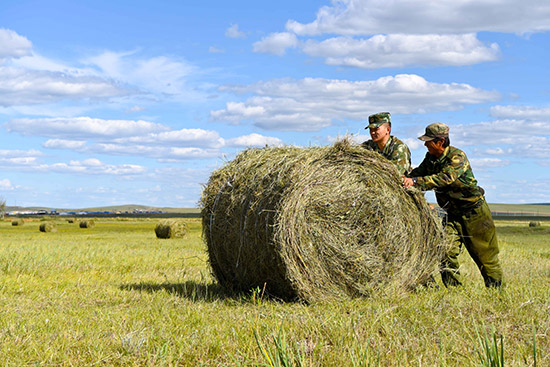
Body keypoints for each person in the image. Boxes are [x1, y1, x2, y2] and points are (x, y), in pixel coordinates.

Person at [403, 123, 503, 288]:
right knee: (444, 250)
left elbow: (445, 178)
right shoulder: (431, 158)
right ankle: (454, 290)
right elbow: (418, 173)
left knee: (486, 257)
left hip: (475, 213)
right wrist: (403, 178)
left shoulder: (457, 157)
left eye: (429, 141)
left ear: (441, 142)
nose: (425, 144)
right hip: (452, 214)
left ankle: (496, 291)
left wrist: (414, 181)